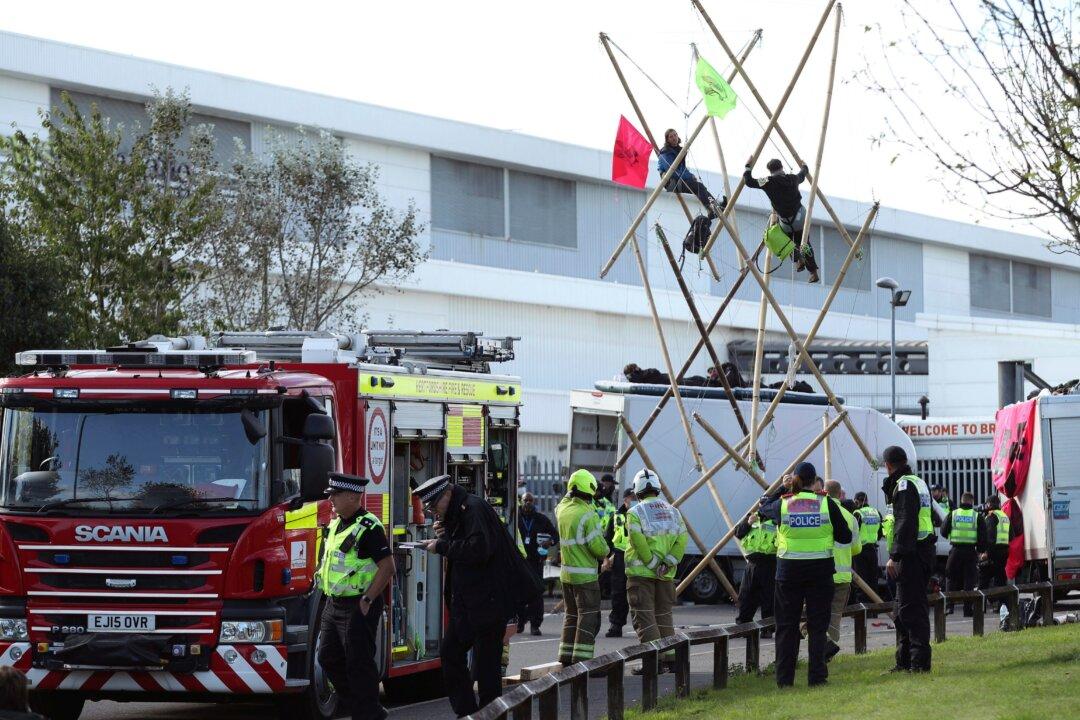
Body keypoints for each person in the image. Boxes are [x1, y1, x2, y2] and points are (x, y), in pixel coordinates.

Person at [418, 474, 535, 717]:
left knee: (486, 670)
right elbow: (468, 546)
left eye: (433, 506)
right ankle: (469, 713)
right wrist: (446, 535)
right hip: (470, 604)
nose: (433, 513)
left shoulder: (473, 509)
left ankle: (490, 715)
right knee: (451, 654)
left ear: (447, 495)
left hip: (488, 603)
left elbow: (479, 550)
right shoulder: (461, 511)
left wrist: (442, 546)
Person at [758, 462, 851, 687]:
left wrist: (782, 488)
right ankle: (817, 678)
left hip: (788, 572)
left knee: (786, 627)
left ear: (796, 479)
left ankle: (784, 680)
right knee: (818, 628)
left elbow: (762, 508)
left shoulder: (783, 503)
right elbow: (845, 537)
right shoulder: (826, 503)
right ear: (814, 480)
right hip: (820, 573)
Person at [316, 473, 396, 720]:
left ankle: (366, 712)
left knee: (358, 663)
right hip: (334, 603)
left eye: (336, 495)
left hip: (359, 604)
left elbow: (388, 567)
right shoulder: (334, 524)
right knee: (327, 657)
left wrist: (368, 599)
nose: (331, 499)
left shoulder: (369, 526)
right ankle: (365, 708)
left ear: (352, 496)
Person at [624, 468, 689, 674]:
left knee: (644, 617)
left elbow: (637, 540)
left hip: (642, 574)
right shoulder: (673, 511)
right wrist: (668, 562)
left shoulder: (634, 513)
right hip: (666, 574)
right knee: (663, 615)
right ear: (658, 488)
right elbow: (682, 538)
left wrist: (652, 563)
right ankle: (670, 659)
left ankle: (652, 663)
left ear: (637, 491)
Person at [882, 445, 935, 673]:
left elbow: (905, 521)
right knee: (902, 611)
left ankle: (919, 664)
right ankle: (903, 661)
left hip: (912, 554)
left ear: (888, 466)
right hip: (921, 550)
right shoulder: (917, 481)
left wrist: (895, 556)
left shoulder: (904, 485)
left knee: (912, 610)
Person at [555, 469, 611, 666]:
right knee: (587, 618)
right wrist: (606, 553)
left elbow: (566, 498)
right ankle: (582, 662)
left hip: (566, 575)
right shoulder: (588, 515)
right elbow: (597, 546)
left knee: (571, 615)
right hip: (585, 578)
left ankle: (565, 657)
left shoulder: (561, 509)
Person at [744, 157, 818, 283]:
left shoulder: (768, 181)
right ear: (782, 167)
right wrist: (804, 165)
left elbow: (749, 182)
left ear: (770, 170)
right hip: (800, 218)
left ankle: (797, 259)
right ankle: (813, 272)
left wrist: (748, 166)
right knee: (805, 243)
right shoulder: (792, 178)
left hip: (785, 222)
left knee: (780, 238)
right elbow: (803, 174)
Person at [824, 480, 861, 661]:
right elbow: (856, 549)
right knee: (835, 617)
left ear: (824, 492)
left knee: (813, 614)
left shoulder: (823, 512)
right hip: (844, 576)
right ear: (840, 495)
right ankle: (828, 654)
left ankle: (823, 648)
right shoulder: (850, 516)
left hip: (823, 573)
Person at [516, 492, 559, 636]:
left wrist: (549, 543)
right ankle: (520, 621)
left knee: (536, 593)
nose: (528, 503)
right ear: (521, 502)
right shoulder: (516, 518)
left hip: (536, 562)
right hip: (519, 562)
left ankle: (535, 624)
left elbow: (555, 535)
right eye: (525, 500)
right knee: (519, 592)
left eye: (530, 500)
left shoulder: (541, 519)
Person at [658, 129, 726, 218]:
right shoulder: (666, 152)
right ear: (667, 140)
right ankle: (710, 209)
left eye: (675, 135)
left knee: (701, 188)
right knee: (699, 187)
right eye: (671, 136)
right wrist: (689, 177)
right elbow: (672, 171)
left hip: (678, 179)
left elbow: (681, 168)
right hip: (671, 182)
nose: (674, 138)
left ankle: (716, 207)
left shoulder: (678, 150)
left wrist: (690, 175)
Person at [940, 491, 986, 616]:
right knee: (969, 581)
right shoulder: (977, 516)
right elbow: (983, 537)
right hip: (971, 552)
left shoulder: (953, 514)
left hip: (955, 550)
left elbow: (943, 531)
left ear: (961, 500)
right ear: (972, 502)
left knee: (951, 578)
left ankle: (949, 607)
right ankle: (967, 610)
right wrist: (980, 551)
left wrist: (952, 535)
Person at [733, 509, 777, 637]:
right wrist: (747, 523)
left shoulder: (776, 519)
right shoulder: (752, 518)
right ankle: (743, 626)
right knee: (746, 595)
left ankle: (767, 628)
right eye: (762, 504)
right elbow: (738, 533)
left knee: (769, 598)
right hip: (752, 563)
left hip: (770, 562)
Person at [604, 488, 636, 638]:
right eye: (631, 498)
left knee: (639, 593)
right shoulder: (616, 516)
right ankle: (616, 625)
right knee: (618, 593)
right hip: (620, 558)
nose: (633, 500)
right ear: (625, 500)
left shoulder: (641, 515)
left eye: (635, 497)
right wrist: (606, 557)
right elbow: (607, 538)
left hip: (637, 557)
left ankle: (642, 627)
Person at [852, 492, 882, 603]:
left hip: (860, 551)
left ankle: (862, 609)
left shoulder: (857, 513)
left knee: (861, 580)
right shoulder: (876, 512)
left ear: (856, 501)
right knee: (873, 579)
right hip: (873, 549)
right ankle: (874, 609)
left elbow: (854, 533)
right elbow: (880, 533)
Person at [981, 495, 1011, 594]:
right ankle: (1002, 604)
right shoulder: (1004, 516)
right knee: (1001, 579)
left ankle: (981, 604)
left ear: (989, 504)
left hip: (994, 552)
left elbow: (990, 537)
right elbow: (1011, 536)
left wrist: (987, 553)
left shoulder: (991, 516)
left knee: (984, 579)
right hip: (1004, 551)